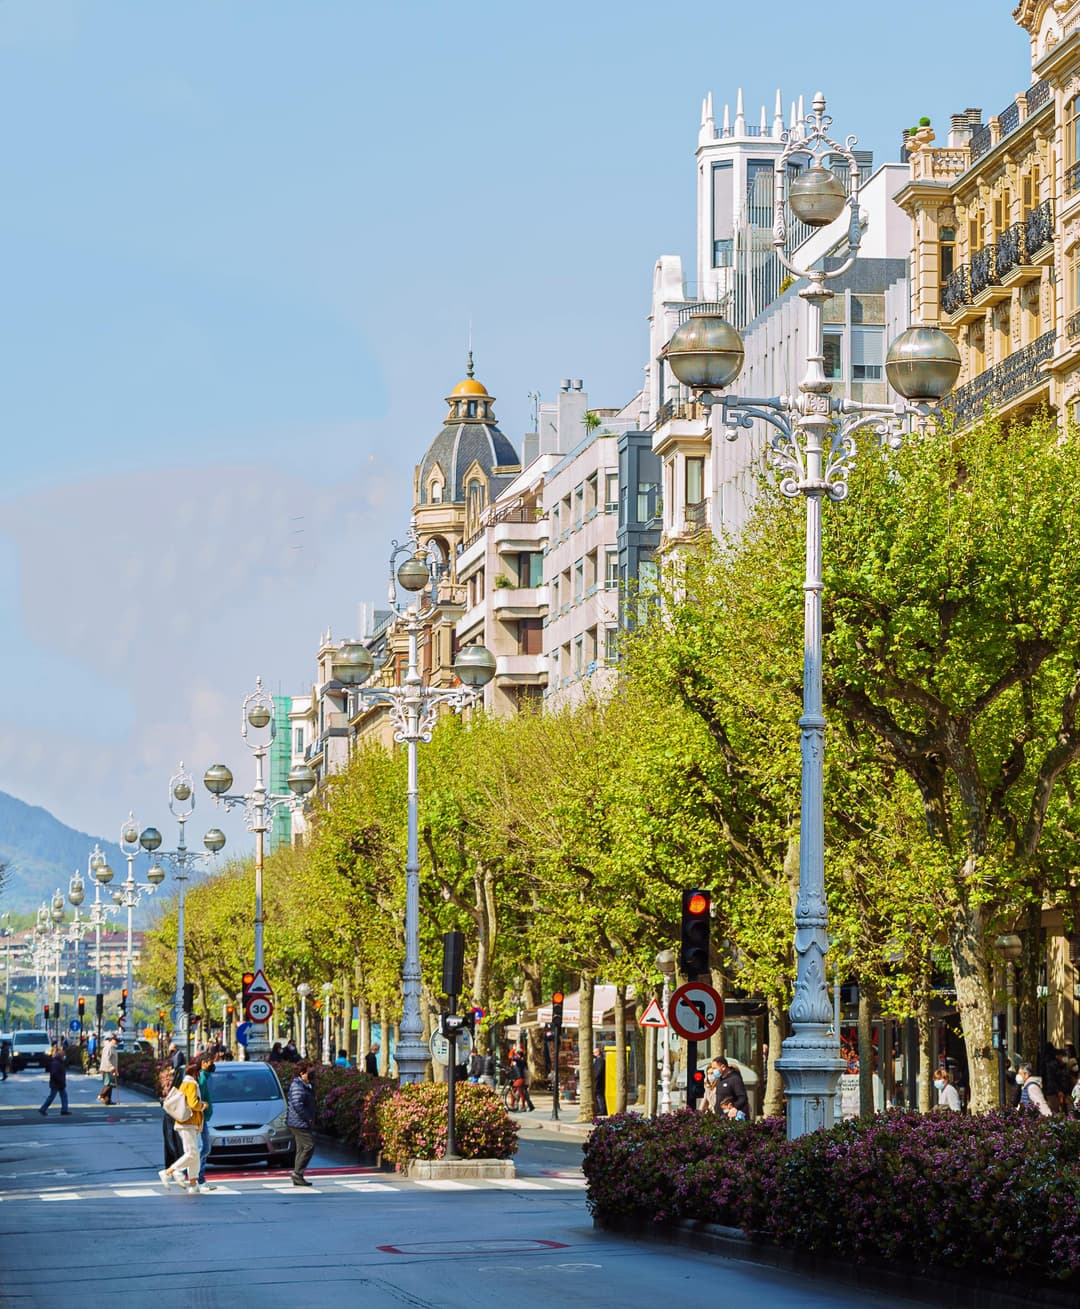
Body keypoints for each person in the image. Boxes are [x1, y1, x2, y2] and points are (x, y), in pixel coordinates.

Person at [159, 1060, 205, 1192]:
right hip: (188, 1123)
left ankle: (193, 1183)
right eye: (200, 1072)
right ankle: (169, 1172)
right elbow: (193, 1103)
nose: (200, 1074)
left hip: (188, 1123)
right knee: (191, 1153)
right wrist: (203, 1106)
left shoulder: (186, 1082)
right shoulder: (191, 1084)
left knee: (194, 1154)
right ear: (196, 1072)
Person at [286, 1060, 316, 1187]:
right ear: (302, 1072)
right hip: (299, 1122)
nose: (312, 1074)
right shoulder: (298, 1086)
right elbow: (298, 1105)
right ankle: (297, 1173)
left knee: (301, 1148)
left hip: (300, 1122)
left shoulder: (305, 1085)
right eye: (309, 1072)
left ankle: (298, 1175)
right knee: (309, 1146)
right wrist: (307, 1118)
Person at [195, 1053, 217, 1192]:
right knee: (204, 1148)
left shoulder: (204, 1077)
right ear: (203, 1063)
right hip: (200, 1117)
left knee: (203, 1148)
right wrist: (204, 1107)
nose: (212, 1065)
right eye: (210, 1062)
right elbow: (199, 1099)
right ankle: (197, 1176)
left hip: (202, 1117)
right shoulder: (202, 1078)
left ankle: (197, 1176)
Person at [38, 1046, 70, 1116]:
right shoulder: (56, 1063)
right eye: (63, 1055)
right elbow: (54, 1074)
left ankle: (64, 1110)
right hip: (57, 1083)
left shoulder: (58, 1062)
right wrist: (60, 1081)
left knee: (63, 1096)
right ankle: (43, 1109)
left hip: (58, 1083)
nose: (64, 1056)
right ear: (60, 1055)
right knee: (52, 1097)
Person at [98, 1033, 118, 1105]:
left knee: (111, 1084)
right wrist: (111, 1067)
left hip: (111, 1069)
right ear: (111, 1040)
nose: (117, 1042)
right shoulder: (108, 1047)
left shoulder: (112, 1047)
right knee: (108, 1084)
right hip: (107, 1069)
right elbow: (106, 1059)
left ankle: (107, 1100)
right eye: (115, 1040)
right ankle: (101, 1095)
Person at [592, 1045, 607, 1117]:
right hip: (598, 1081)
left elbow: (598, 1071)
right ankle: (600, 1109)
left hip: (598, 1081)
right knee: (598, 1095)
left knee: (599, 1095)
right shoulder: (600, 1060)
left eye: (595, 1052)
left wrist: (595, 1078)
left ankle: (601, 1110)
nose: (593, 1053)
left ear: (598, 1053)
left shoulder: (600, 1060)